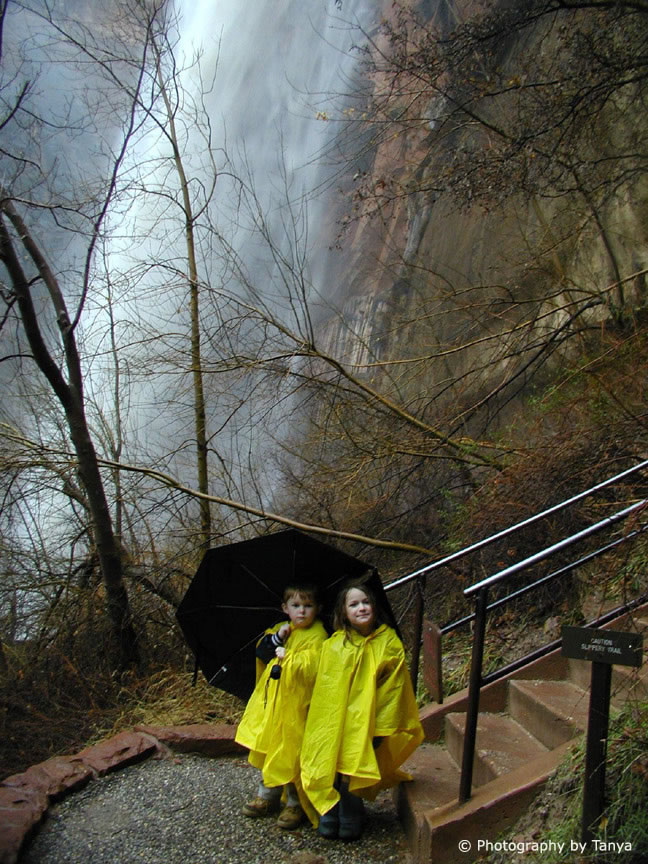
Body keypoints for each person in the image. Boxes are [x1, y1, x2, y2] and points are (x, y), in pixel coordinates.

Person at [300, 579, 424, 841]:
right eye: (353, 604)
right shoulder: (334, 645)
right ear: (343, 612)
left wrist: (381, 724)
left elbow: (394, 687)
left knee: (354, 764)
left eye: (366, 602)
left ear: (375, 606)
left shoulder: (388, 642)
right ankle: (329, 811)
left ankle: (351, 811)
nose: (361, 608)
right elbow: (323, 685)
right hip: (335, 720)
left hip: (367, 719)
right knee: (331, 761)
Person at [235, 583, 327, 830]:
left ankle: (295, 802)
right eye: (296, 606)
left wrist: (291, 658)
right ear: (285, 608)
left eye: (308, 606)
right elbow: (262, 653)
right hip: (275, 703)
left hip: (299, 706)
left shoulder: (318, 635)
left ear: (318, 609)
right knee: (271, 747)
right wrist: (277, 639)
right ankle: (267, 795)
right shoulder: (280, 630)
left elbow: (315, 668)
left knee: (292, 752)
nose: (302, 612)